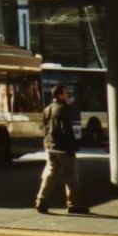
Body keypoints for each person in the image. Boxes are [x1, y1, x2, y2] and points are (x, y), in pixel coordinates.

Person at [35, 83, 90, 214]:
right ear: (60, 95)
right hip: (63, 148)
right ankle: (73, 204)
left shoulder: (47, 109)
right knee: (71, 176)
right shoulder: (63, 109)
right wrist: (72, 147)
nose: (68, 95)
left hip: (50, 147)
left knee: (50, 174)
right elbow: (66, 131)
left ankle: (41, 201)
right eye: (66, 93)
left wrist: (46, 144)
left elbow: (45, 128)